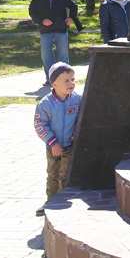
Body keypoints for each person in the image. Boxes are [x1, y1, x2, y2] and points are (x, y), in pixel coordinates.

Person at [34, 62, 81, 215]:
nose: (71, 83)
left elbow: (83, 117)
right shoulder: (46, 104)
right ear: (54, 84)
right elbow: (40, 124)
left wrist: (77, 133)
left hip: (70, 145)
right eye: (66, 80)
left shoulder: (77, 100)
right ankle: (51, 202)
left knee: (67, 175)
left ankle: (65, 200)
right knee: (53, 174)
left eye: (73, 80)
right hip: (54, 146)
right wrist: (52, 142)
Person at [28, 0, 81, 81]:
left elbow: (73, 6)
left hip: (61, 29)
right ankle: (50, 79)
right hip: (45, 30)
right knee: (46, 56)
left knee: (63, 56)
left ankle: (66, 79)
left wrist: (71, 18)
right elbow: (32, 12)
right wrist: (42, 21)